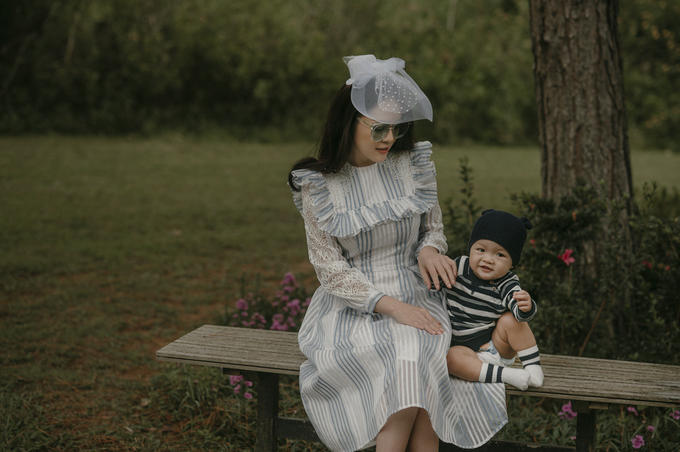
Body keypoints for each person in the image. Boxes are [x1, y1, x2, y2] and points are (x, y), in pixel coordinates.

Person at [288, 54, 508, 452]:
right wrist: (392, 308)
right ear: (347, 123)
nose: (389, 138)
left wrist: (429, 251)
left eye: (397, 127)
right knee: (409, 353)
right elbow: (329, 269)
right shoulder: (319, 185)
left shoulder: (413, 167)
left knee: (421, 349)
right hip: (355, 307)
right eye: (378, 128)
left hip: (417, 292)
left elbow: (432, 229)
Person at [443, 209, 544, 391]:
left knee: (510, 320)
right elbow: (434, 284)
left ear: (512, 263)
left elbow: (518, 310)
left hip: (495, 346)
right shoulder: (458, 267)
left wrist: (525, 307)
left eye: (500, 255)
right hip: (462, 351)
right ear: (471, 248)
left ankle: (533, 366)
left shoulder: (507, 282)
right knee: (450, 359)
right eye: (481, 250)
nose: (488, 259)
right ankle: (507, 375)